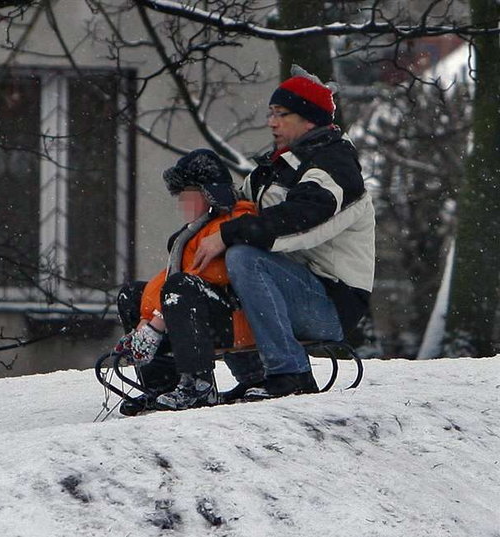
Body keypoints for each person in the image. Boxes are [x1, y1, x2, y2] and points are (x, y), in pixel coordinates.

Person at [190, 65, 376, 401]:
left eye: (281, 114)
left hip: (332, 302)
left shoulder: (336, 167)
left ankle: (291, 373)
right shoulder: (279, 165)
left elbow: (303, 220)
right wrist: (204, 194)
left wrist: (229, 233)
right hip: (294, 286)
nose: (271, 122)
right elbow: (240, 207)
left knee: (244, 256)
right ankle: (249, 374)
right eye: (270, 113)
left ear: (310, 119)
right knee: (225, 259)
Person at [115, 149, 257, 414]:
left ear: (209, 193)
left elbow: (210, 274)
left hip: (236, 318)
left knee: (182, 290)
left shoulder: (235, 221)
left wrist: (156, 322)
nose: (181, 202)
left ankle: (198, 385)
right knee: (132, 293)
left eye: (187, 194)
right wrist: (147, 319)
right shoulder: (196, 231)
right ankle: (161, 385)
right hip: (202, 314)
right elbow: (168, 281)